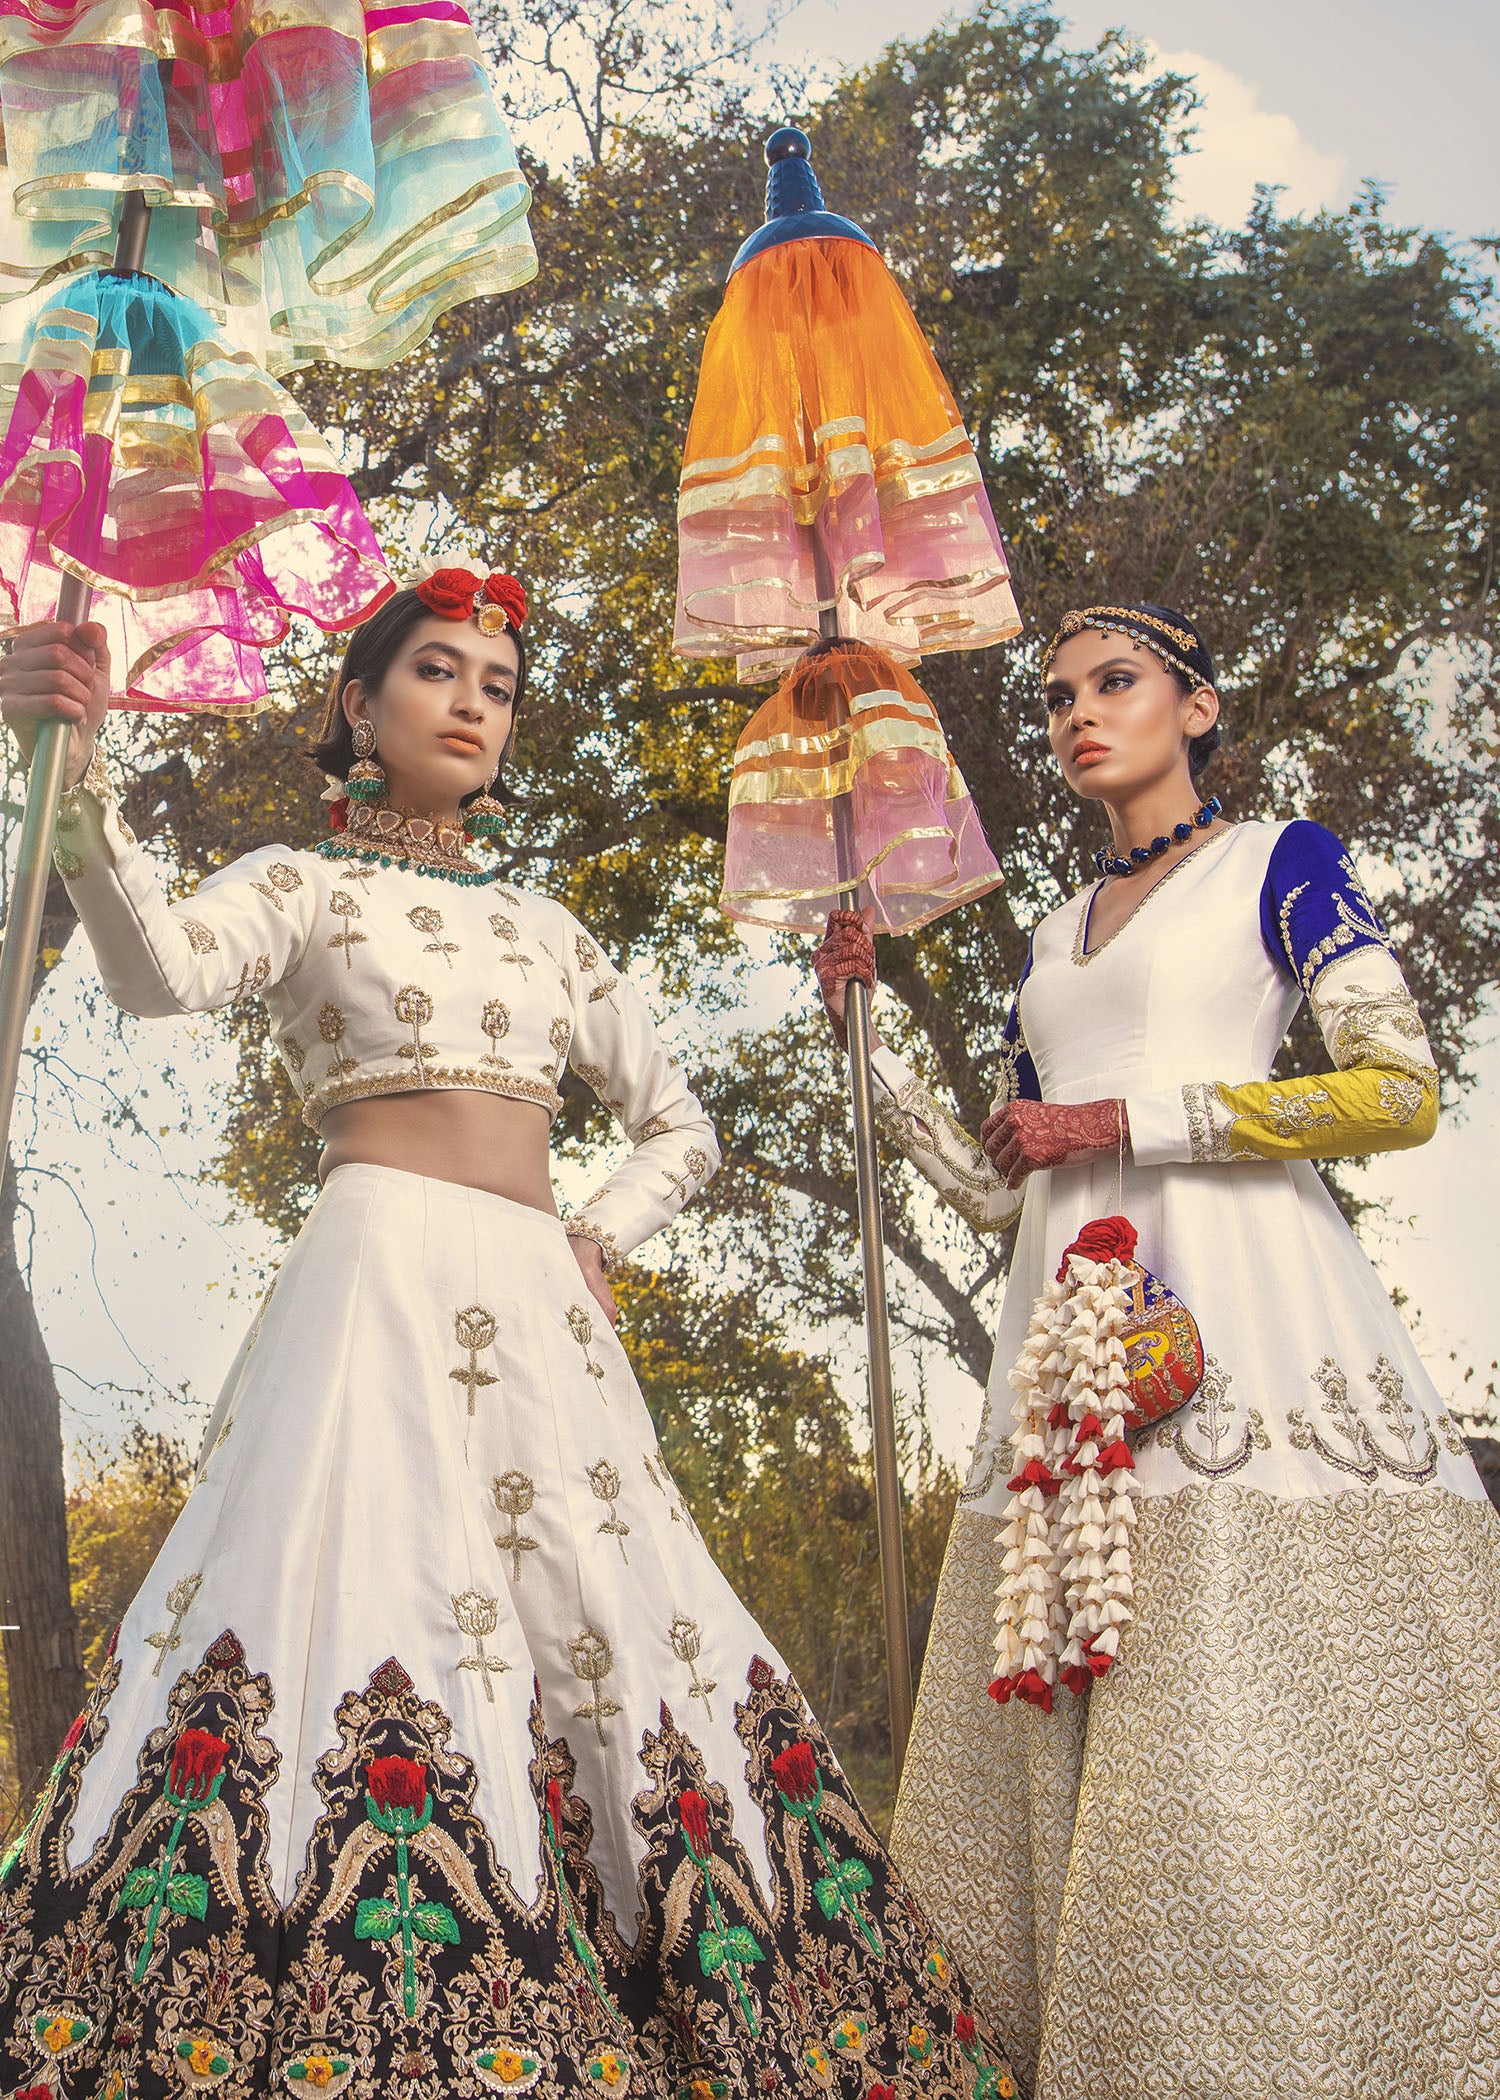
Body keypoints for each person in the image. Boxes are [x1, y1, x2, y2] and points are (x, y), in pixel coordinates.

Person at [0, 572, 1016, 2099]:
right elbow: (156, 969)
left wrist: (596, 1232)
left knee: (619, 1627)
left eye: (500, 683)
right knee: (358, 1602)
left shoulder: (550, 933)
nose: (475, 701)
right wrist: (68, 771)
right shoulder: (300, 885)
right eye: (437, 670)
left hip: (541, 1309)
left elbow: (684, 1128)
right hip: (372, 1294)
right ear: (358, 704)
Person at [813, 604, 1500, 2099]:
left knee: (1233, 1656)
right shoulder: (1051, 940)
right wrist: (867, 1042)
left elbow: (1396, 1093)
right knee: (1067, 1658)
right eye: (1059, 695)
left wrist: (1139, 1120)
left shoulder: (1282, 864)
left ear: (1196, 705)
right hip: (1062, 1335)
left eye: (1115, 684)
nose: (1078, 715)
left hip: (1250, 1311)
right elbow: (1008, 1184)